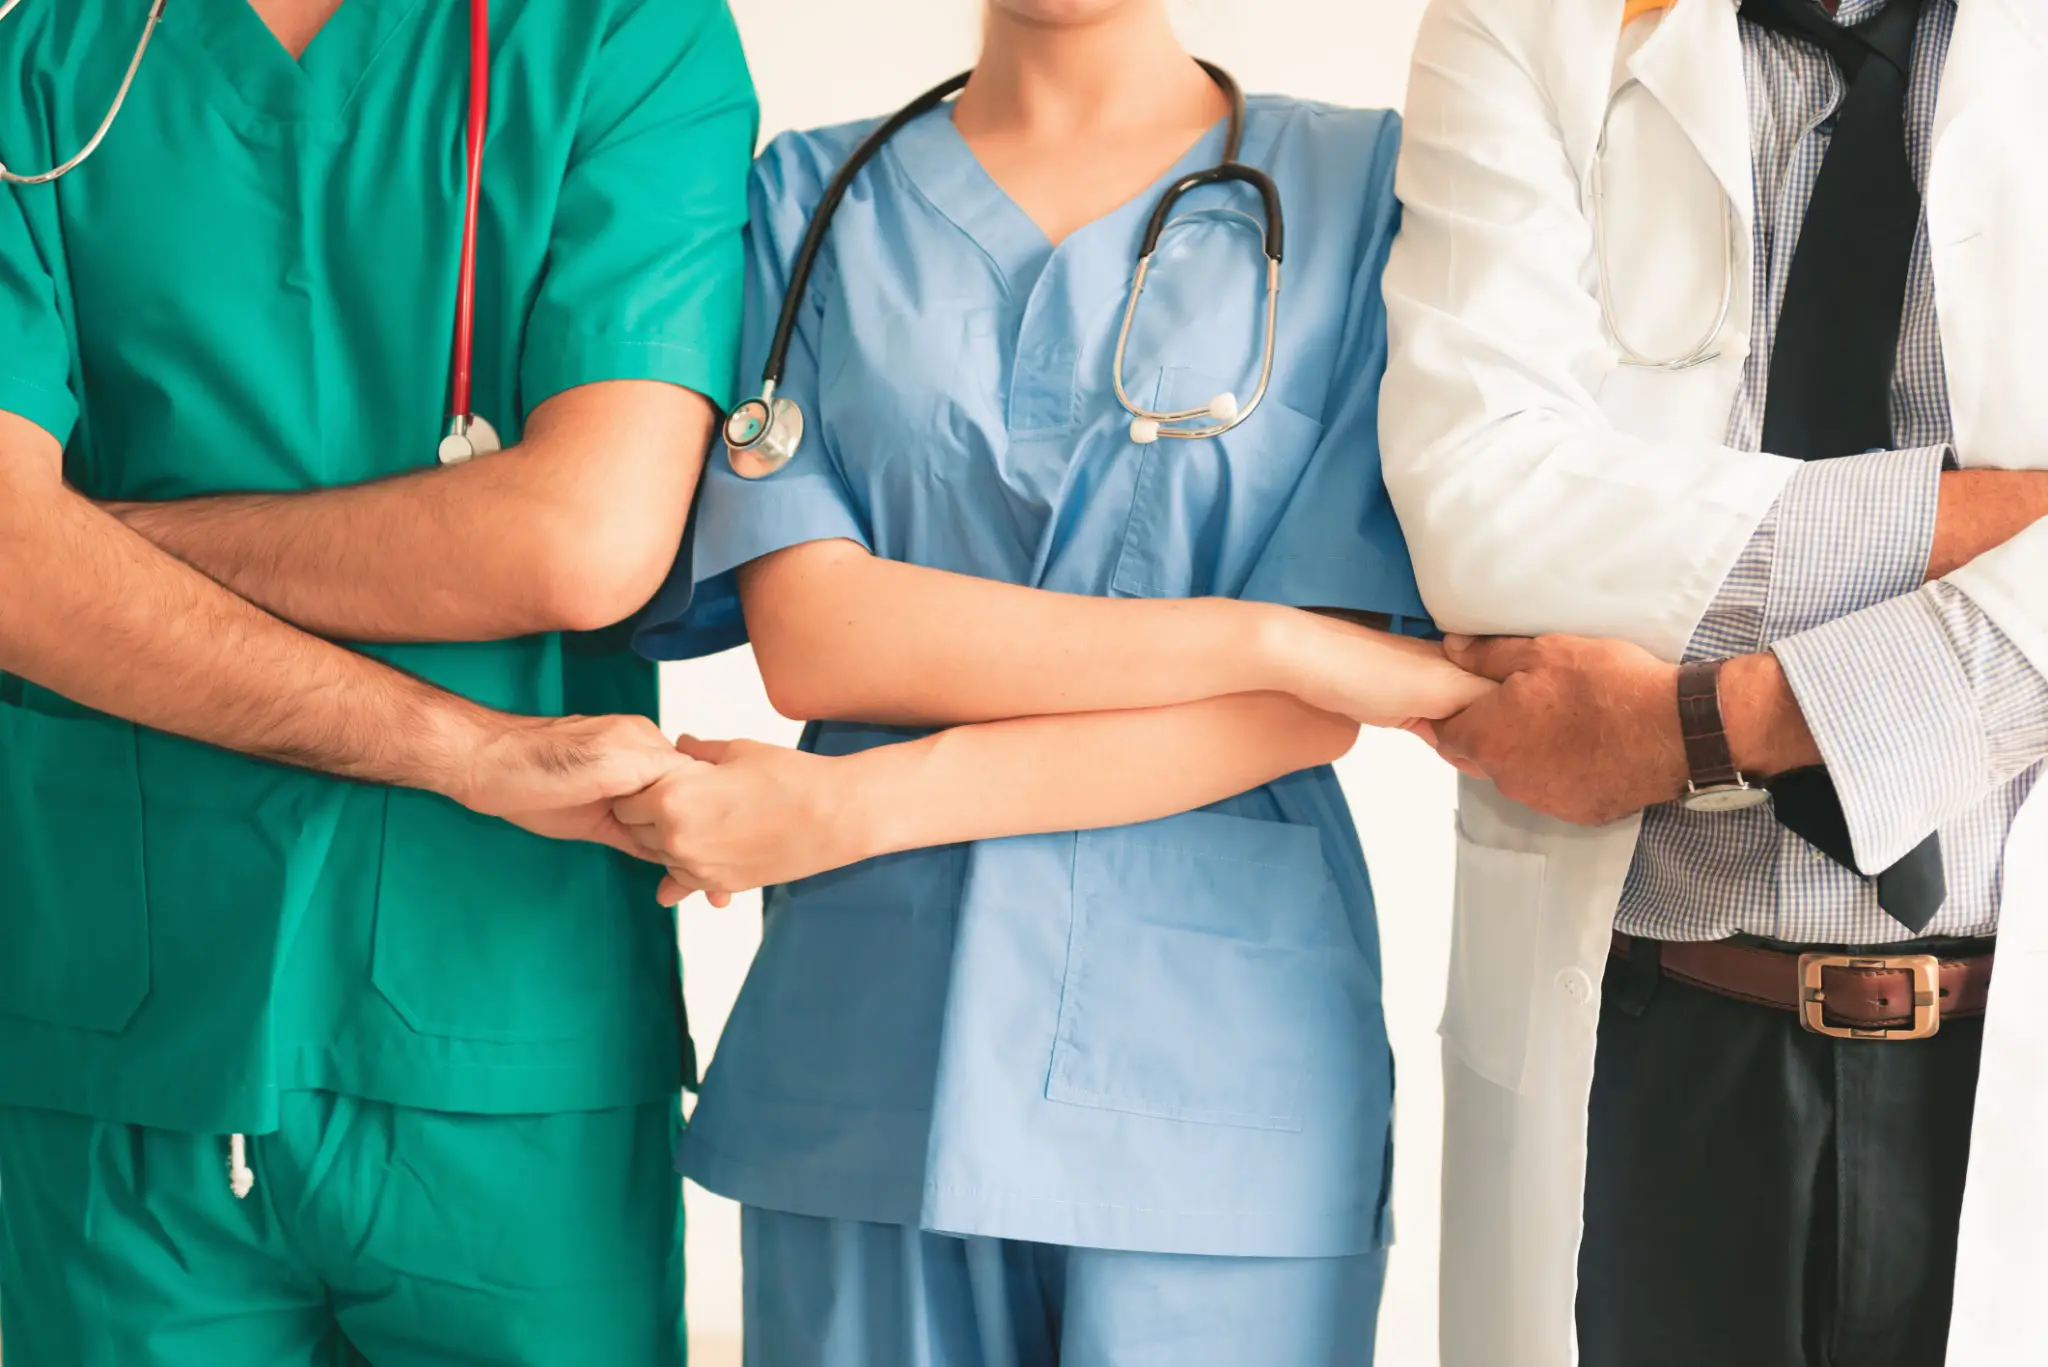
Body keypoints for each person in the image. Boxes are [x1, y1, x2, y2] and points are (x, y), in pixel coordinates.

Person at [619, 1, 1490, 1362]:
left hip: (1216, 1069)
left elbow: (1328, 688)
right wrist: (1262, 636)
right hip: (870, 1052)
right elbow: (821, 638)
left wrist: (854, 804)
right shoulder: (810, 194)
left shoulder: (1368, 186)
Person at [0, 1, 754, 1363]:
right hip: (125, 1020)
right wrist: (460, 746)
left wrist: (92, 560)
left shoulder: (619, 36)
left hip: (502, 1016)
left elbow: (583, 538)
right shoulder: (51, 64)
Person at [1378, 0, 2048, 1363]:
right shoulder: (1520, 26)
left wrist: (1703, 726)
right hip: (1657, 1053)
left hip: (2007, 1064)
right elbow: (1483, 513)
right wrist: (1992, 519)